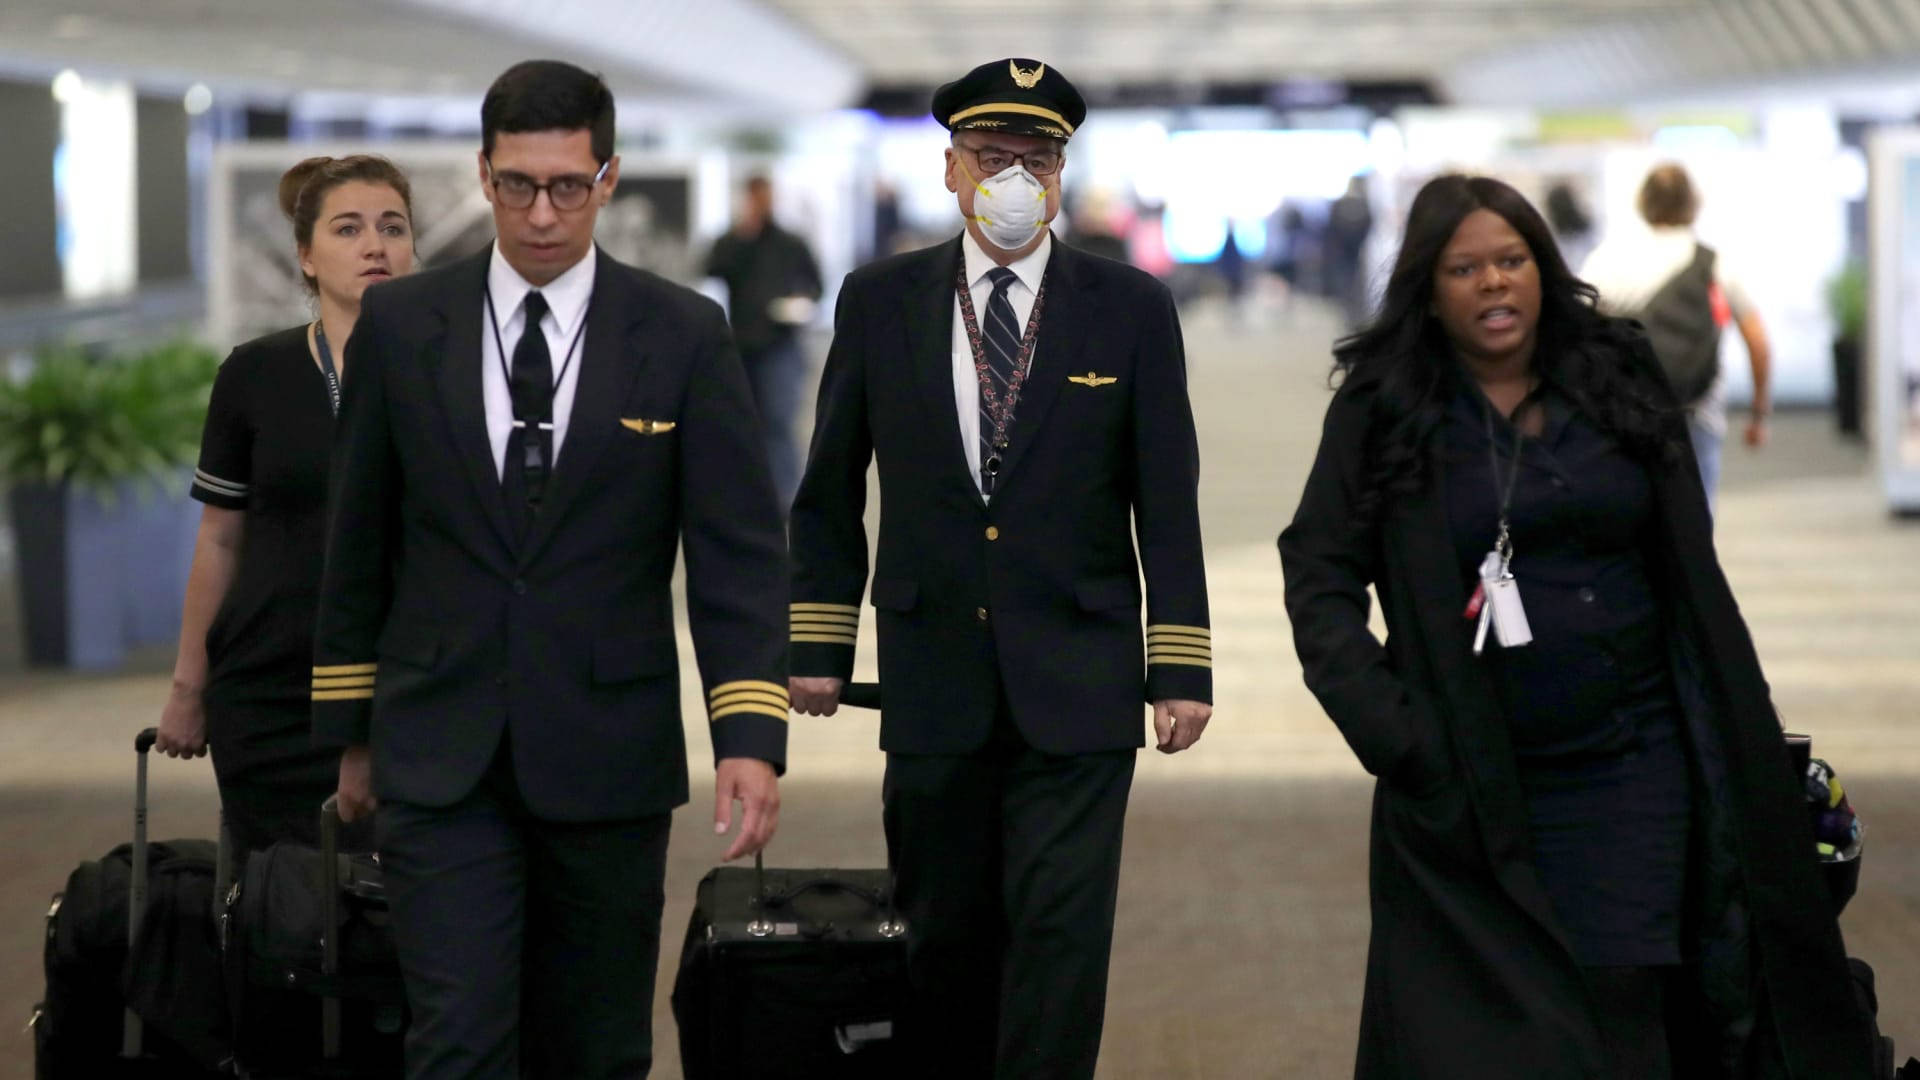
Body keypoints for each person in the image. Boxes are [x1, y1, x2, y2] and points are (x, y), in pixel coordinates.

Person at [1278, 174, 1874, 1078]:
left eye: (1511, 261)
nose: (1493, 283)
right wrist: (1397, 737)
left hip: (1636, 769)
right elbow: (1318, 571)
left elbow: (1693, 573)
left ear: (1542, 269)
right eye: (1464, 268)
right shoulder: (1386, 407)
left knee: (1629, 1016)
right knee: (1497, 1039)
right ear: (1427, 292)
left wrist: (1742, 733)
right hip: (1471, 787)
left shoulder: (1615, 373)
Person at [310, 60, 788, 1079]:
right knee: (458, 1042)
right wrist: (350, 733)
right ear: (483, 175)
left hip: (608, 746)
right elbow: (360, 536)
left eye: (568, 186)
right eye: (518, 184)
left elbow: (736, 551)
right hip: (442, 747)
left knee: (599, 1047)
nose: (541, 213)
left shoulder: (681, 333)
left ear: (607, 179)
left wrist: (750, 734)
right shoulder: (403, 327)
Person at [788, 57, 1213, 1080]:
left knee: (1061, 943)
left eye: (1037, 156)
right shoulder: (881, 300)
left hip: (1080, 675)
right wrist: (818, 639)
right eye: (992, 155)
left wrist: (1182, 664)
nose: (1014, 175)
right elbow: (830, 483)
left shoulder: (1129, 308)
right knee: (943, 937)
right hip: (935, 676)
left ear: (1062, 175)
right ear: (950, 169)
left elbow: (1167, 496)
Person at [155, 154, 414, 855]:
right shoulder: (255, 373)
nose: (375, 245)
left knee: (404, 918)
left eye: (393, 227)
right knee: (276, 914)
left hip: (403, 690)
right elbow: (220, 540)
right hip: (269, 687)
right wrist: (188, 687)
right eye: (348, 228)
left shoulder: (446, 374)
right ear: (305, 256)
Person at [1580, 162, 1771, 511]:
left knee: (1628, 515)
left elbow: (1576, 337)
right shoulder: (1714, 264)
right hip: (1697, 412)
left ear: (1642, 202)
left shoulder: (1606, 260)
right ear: (1693, 204)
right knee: (1695, 518)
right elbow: (1757, 343)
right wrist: (1758, 414)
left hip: (1625, 411)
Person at [703, 174, 823, 511]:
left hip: (781, 344)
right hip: (741, 344)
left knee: (779, 420)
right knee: (740, 422)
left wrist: (800, 300)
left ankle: (788, 498)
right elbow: (712, 269)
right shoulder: (732, 241)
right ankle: (746, 493)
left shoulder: (791, 243)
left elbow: (816, 284)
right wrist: (741, 237)